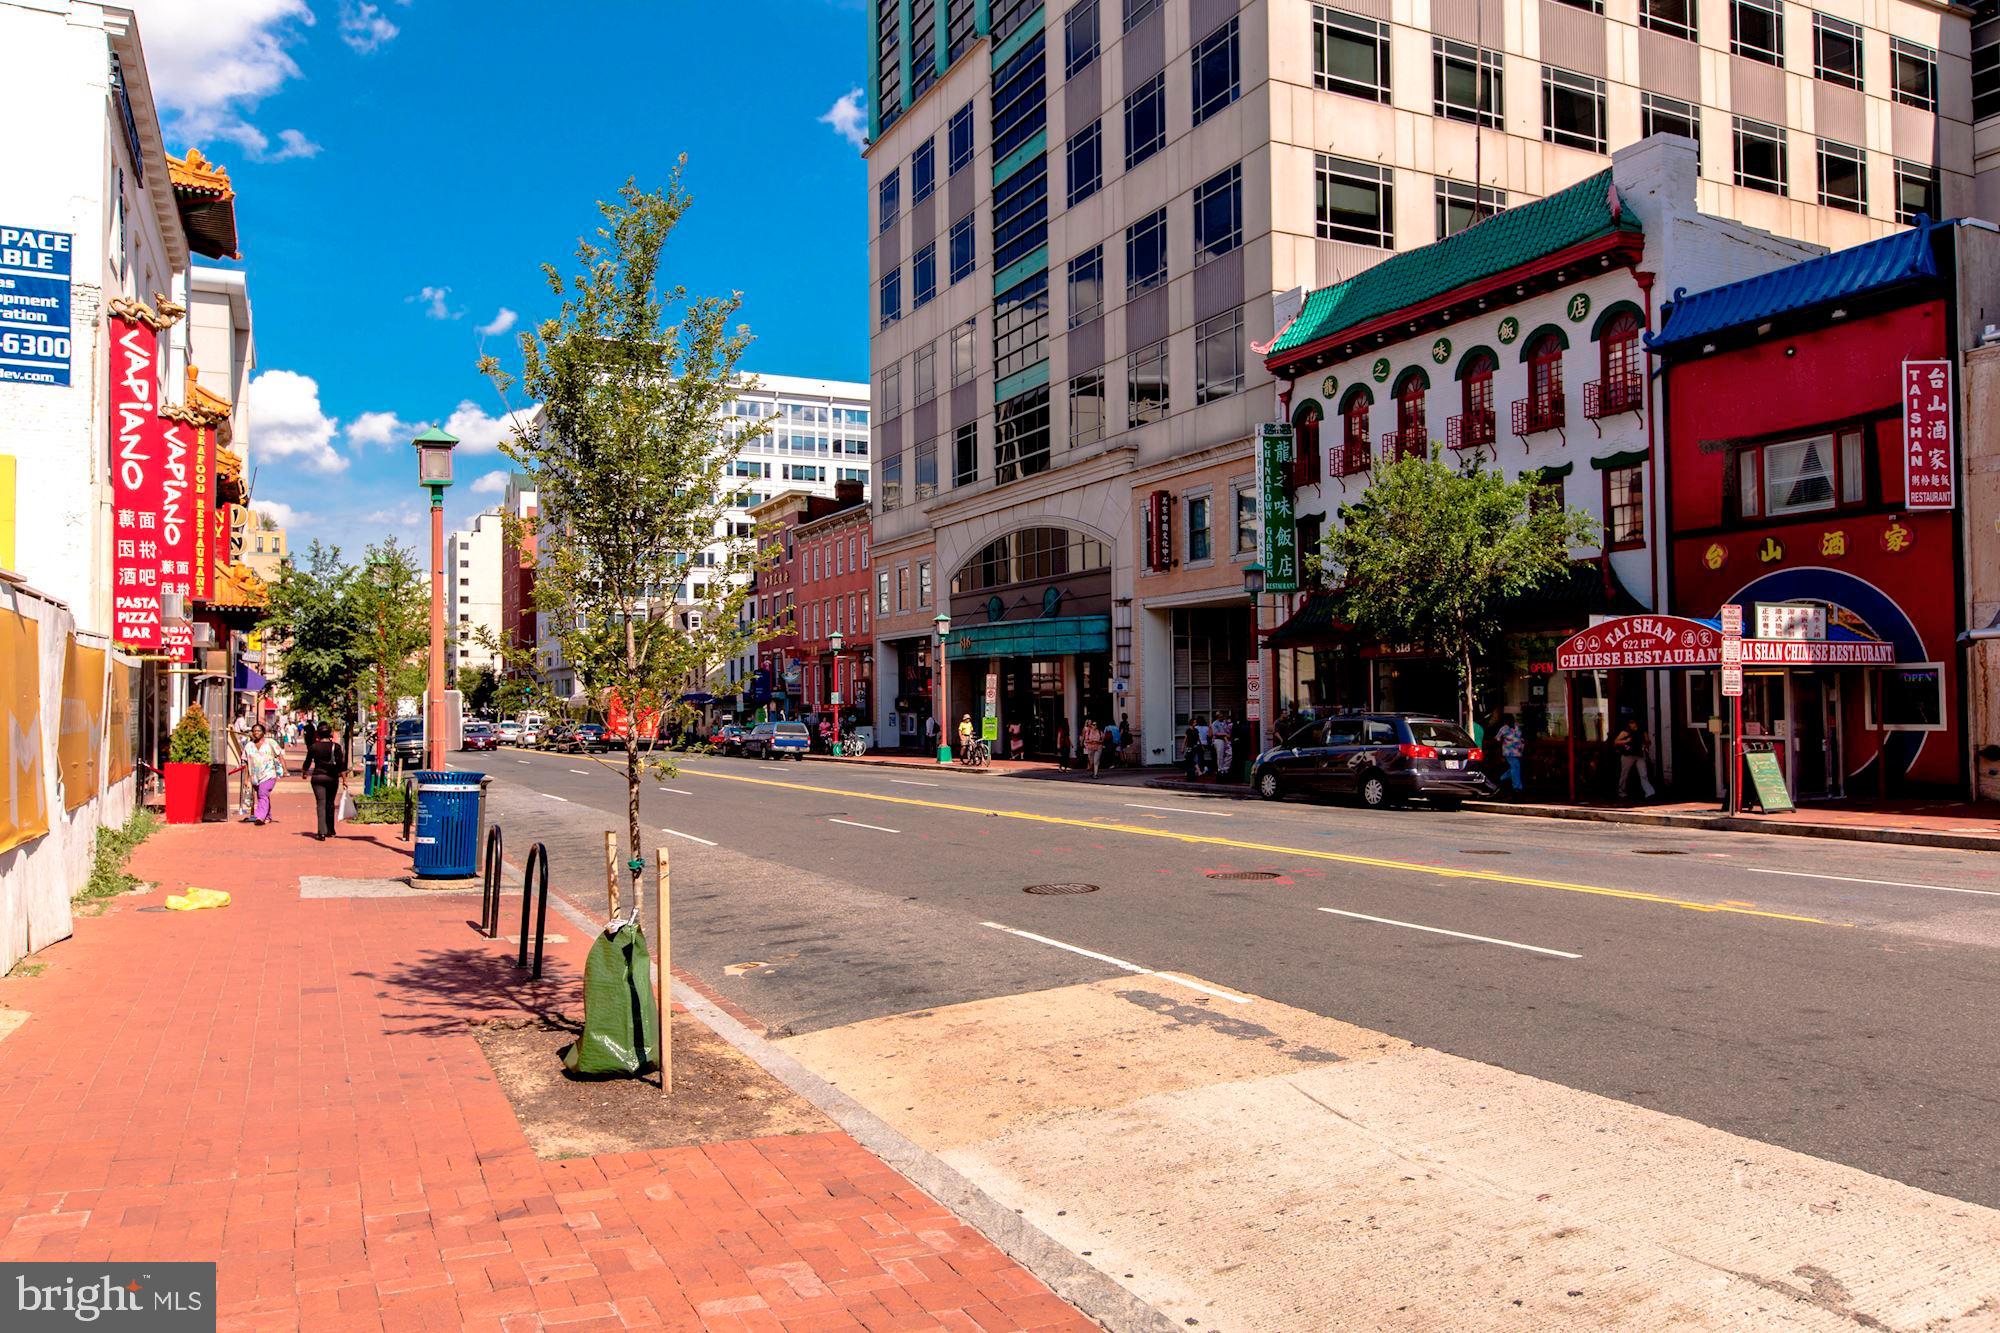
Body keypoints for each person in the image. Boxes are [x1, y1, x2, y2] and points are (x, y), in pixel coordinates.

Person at [306, 723, 348, 840]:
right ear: (330, 733)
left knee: (321, 803)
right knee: (330, 803)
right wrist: (344, 780)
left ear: (318, 734)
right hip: (332, 778)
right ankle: (331, 829)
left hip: (318, 777)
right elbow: (341, 765)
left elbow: (308, 762)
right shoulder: (336, 747)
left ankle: (321, 832)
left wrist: (304, 772)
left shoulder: (314, 747)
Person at [240, 724, 285, 826]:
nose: (256, 733)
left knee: (262, 793)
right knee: (263, 796)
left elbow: (280, 755)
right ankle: (268, 816)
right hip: (255, 777)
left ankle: (260, 817)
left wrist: (285, 769)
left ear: (263, 732)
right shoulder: (248, 746)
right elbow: (246, 763)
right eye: (254, 731)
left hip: (269, 774)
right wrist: (246, 779)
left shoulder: (270, 743)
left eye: (259, 731)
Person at [1613, 712, 1657, 801]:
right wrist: (1626, 741)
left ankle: (1650, 793)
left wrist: (1646, 744)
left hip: (1639, 754)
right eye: (1630, 723)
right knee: (1625, 774)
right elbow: (1616, 741)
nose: (1631, 724)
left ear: (1636, 723)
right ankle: (1621, 792)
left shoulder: (1642, 730)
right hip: (1628, 755)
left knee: (1643, 774)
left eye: (1632, 722)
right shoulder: (1626, 731)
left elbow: (1648, 741)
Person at [1496, 713, 1526, 798]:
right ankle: (1517, 787)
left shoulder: (1518, 727)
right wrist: (1500, 754)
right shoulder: (1503, 729)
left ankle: (1501, 779)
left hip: (1518, 752)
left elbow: (1522, 738)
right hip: (1509, 752)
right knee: (1516, 767)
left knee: (1515, 768)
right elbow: (1497, 740)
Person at [1212, 712, 1234, 782]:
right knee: (1220, 755)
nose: (1221, 717)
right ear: (1217, 717)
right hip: (1219, 740)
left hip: (1226, 740)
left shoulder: (1224, 722)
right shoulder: (1215, 723)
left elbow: (1228, 730)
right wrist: (1225, 734)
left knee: (1229, 754)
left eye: (1222, 716)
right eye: (1220, 716)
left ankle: (1225, 767)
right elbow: (1216, 733)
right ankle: (1220, 769)